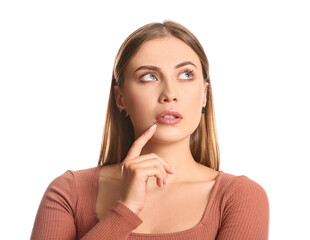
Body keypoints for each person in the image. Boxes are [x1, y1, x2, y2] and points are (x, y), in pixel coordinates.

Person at [31, 20, 269, 239]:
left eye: (186, 75)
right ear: (120, 98)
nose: (170, 94)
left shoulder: (240, 197)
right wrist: (124, 210)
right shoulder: (70, 192)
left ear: (205, 94)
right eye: (149, 77)